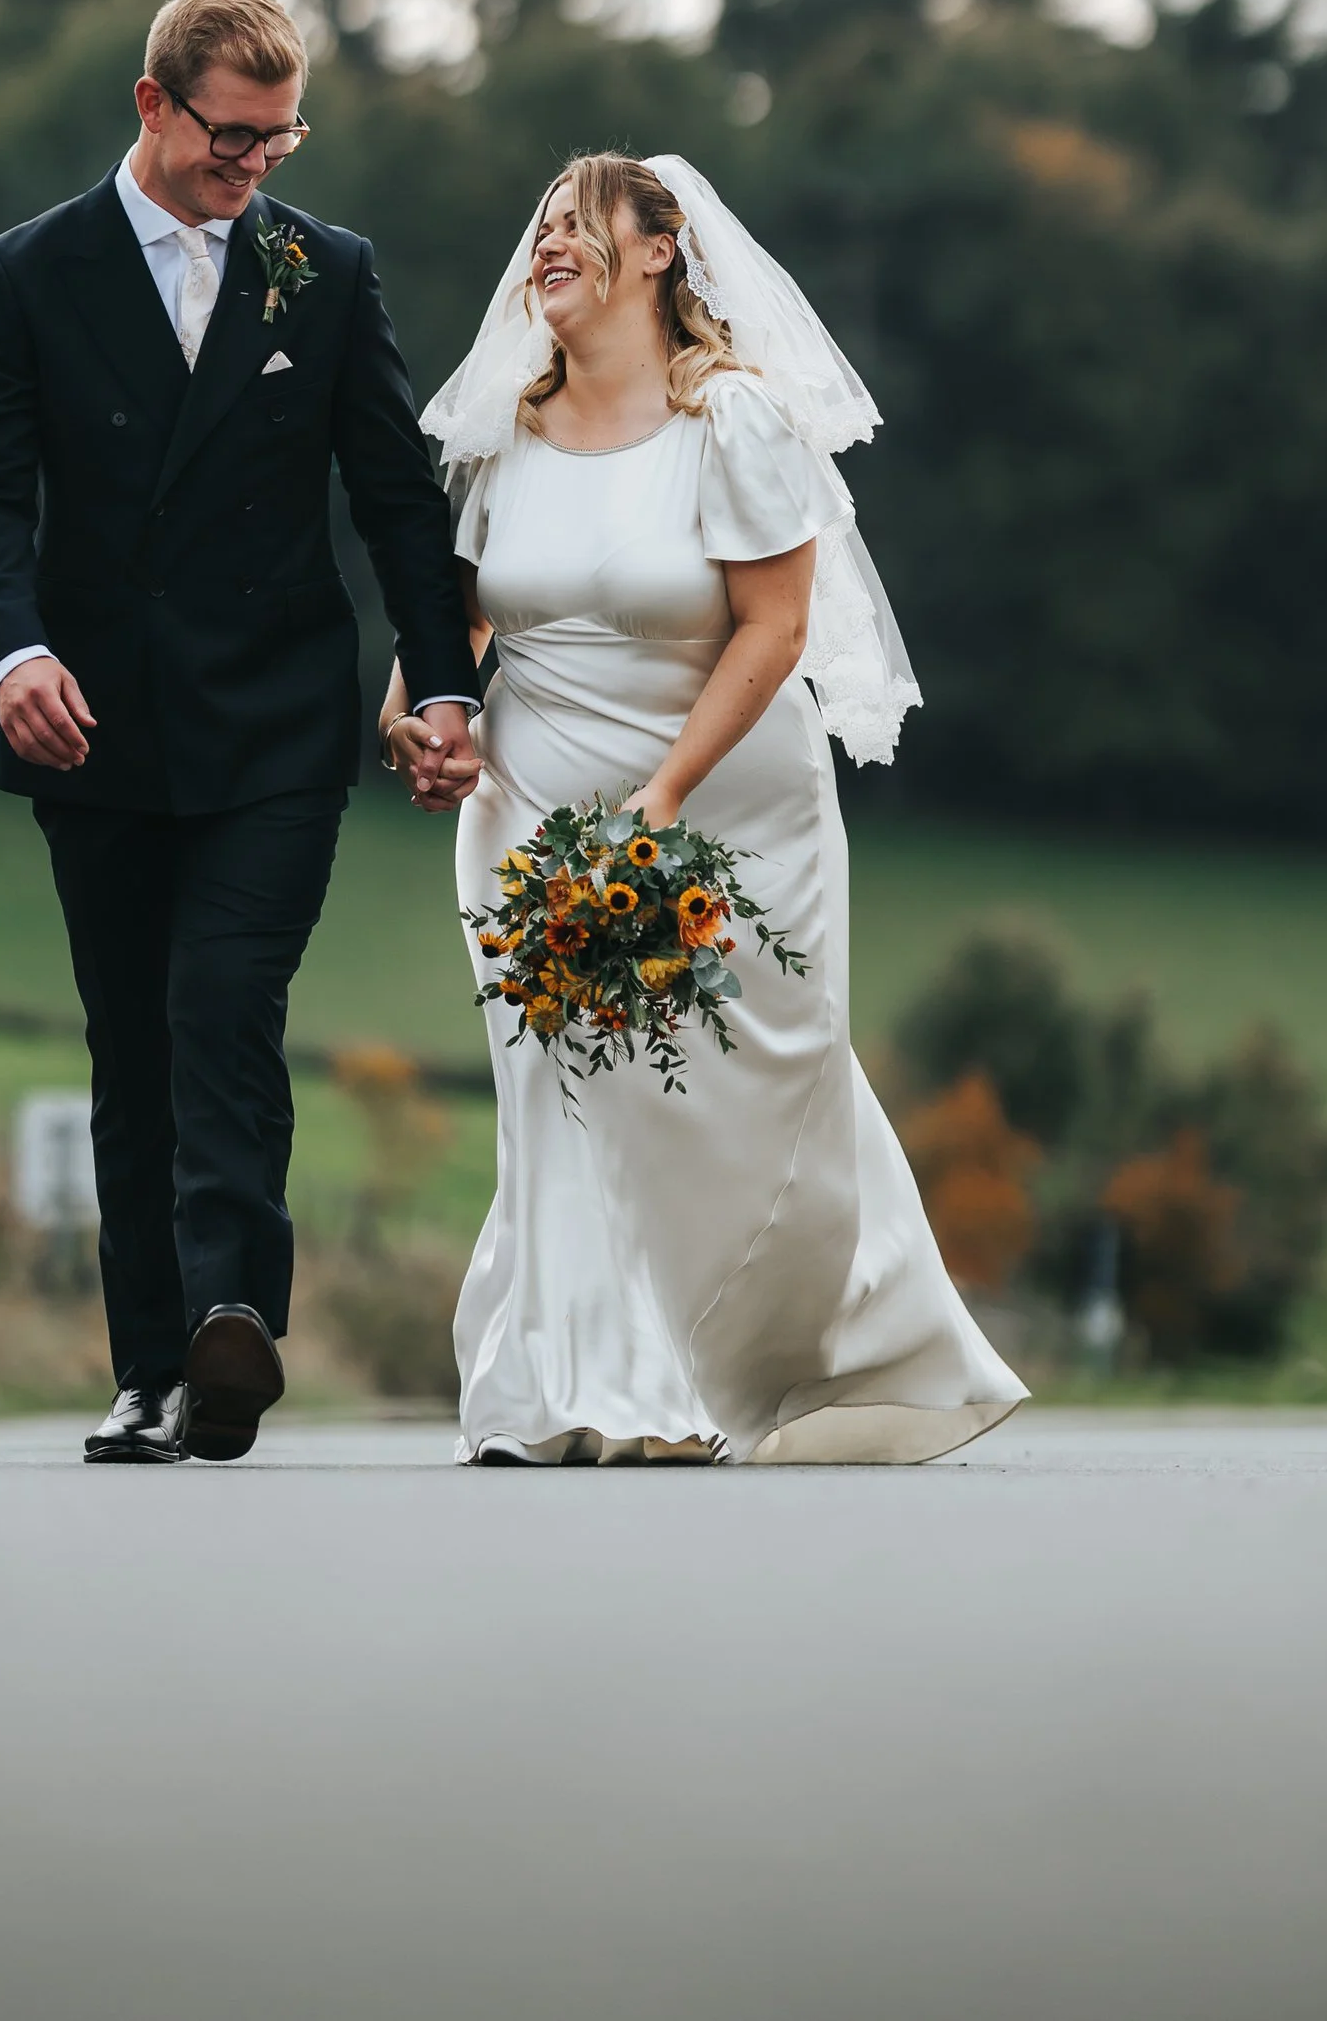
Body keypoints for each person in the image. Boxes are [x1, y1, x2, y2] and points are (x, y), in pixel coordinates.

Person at [391, 151, 1026, 1467]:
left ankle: (794, 1351)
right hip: (527, 812)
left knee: (721, 1097)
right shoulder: (503, 431)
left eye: (576, 227)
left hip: (722, 804)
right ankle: (569, 1388)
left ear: (660, 250)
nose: (546, 247)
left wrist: (666, 790)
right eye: (541, 231)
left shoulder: (728, 421)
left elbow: (775, 625)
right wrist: (425, 717)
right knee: (562, 1087)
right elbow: (445, 629)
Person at [0, 0, 484, 1464]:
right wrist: (14, 650)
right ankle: (143, 1370)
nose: (254, 167)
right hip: (94, 723)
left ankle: (228, 1318)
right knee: (133, 1042)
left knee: (220, 1006)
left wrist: (443, 685)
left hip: (273, 730)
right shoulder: (31, 271)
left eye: (279, 138)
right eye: (231, 135)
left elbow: (393, 501)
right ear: (152, 103)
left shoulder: (325, 268)